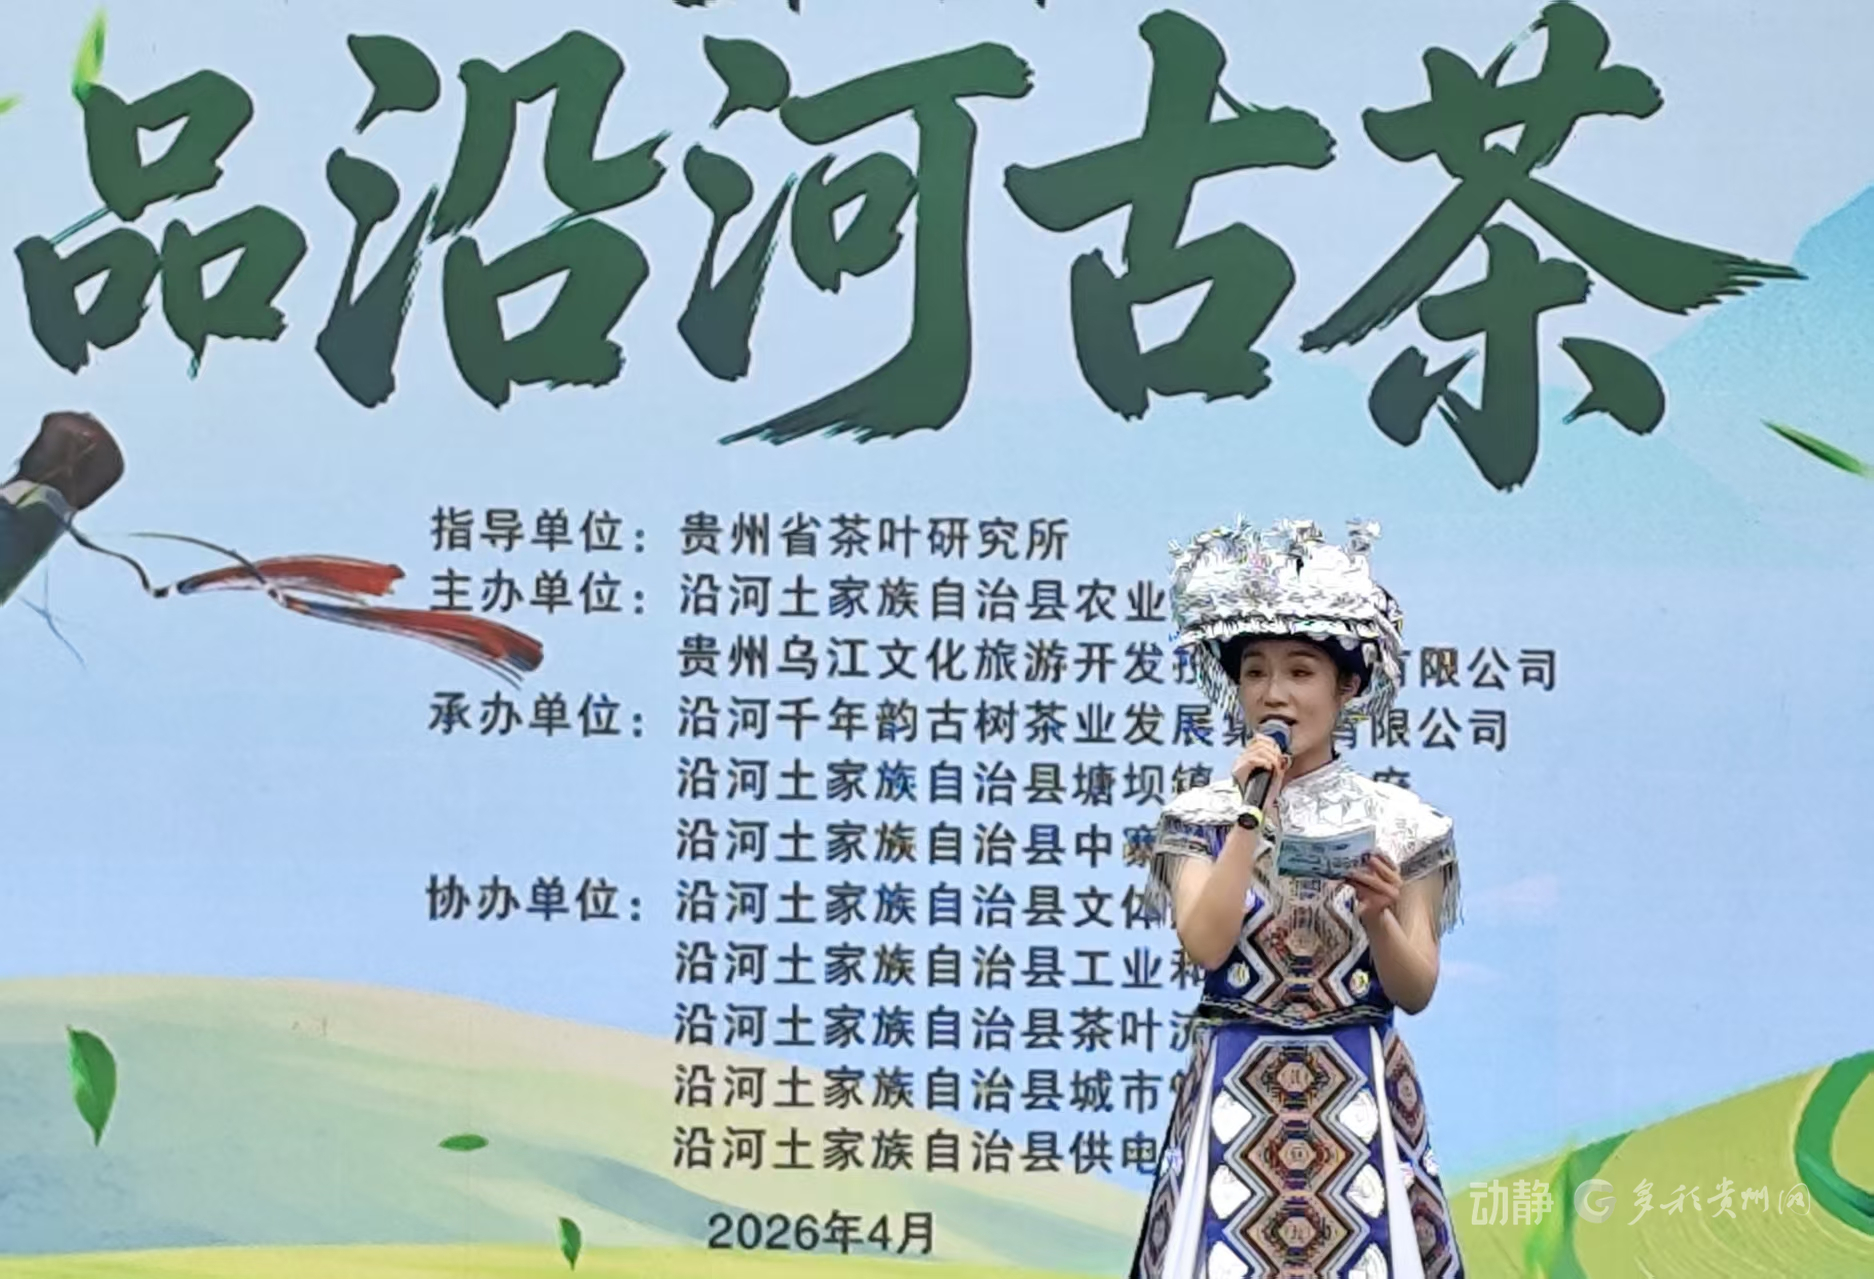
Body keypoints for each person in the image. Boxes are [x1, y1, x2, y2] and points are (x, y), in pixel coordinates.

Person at [1127, 518, 1465, 1279]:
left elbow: (1415, 989)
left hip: (1359, 1087)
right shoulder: (1199, 816)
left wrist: (1379, 916)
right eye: (1254, 672)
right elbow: (1205, 944)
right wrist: (1251, 815)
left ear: (1349, 687)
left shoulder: (1407, 823)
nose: (1273, 693)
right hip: (1233, 1088)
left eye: (1301, 672)